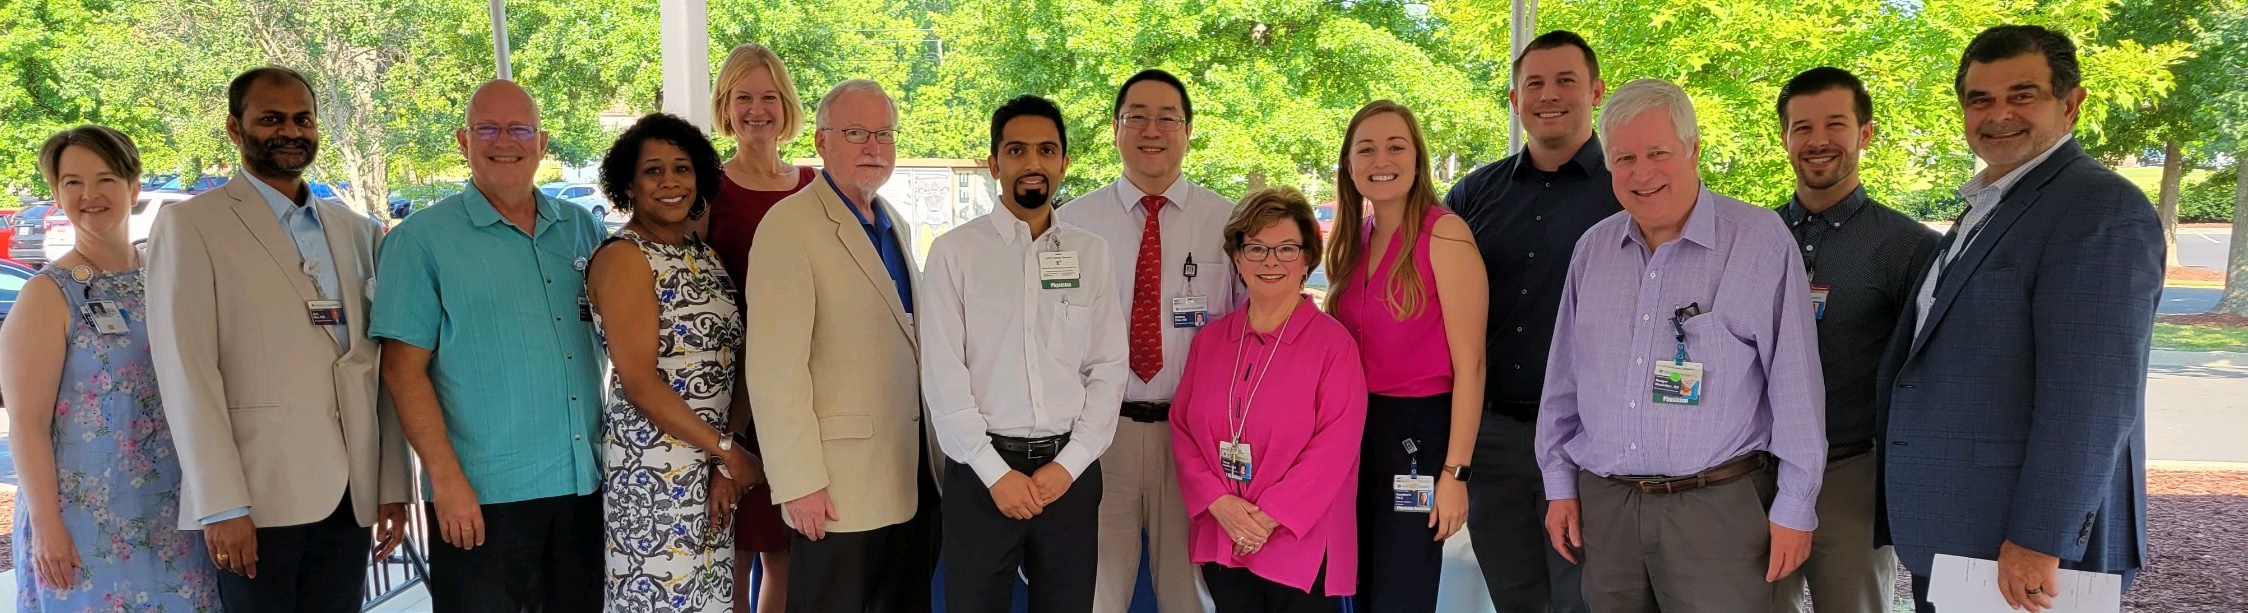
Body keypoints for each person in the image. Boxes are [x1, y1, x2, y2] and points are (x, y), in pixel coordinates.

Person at [1879, 25, 2160, 613]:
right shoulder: (1989, 205)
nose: (1998, 114)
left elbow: (2092, 397)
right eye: (1980, 99)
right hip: (1966, 535)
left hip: (2025, 553)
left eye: (2022, 94)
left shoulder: (2099, 210)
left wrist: (2039, 538)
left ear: (2071, 103)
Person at [1535, 78, 1827, 613]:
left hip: (1714, 511)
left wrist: (1795, 506)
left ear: (1694, 150)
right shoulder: (1593, 250)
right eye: (1623, 157)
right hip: (1608, 506)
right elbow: (1563, 383)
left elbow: (1796, 388)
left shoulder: (1759, 241)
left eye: (1657, 153)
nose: (1641, 173)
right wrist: (1559, 483)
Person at [146, 66, 411, 612]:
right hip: (256, 499)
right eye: (271, 119)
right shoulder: (191, 225)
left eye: (302, 118)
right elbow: (187, 373)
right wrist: (219, 505)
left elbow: (377, 367)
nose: (290, 131)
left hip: (350, 494)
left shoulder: (357, 230)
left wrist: (391, 483)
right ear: (234, 129)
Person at [369, 80, 610, 612]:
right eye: (488, 129)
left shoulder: (581, 229)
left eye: (520, 128)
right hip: (481, 496)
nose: (506, 141)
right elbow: (402, 373)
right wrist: (446, 480)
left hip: (581, 483)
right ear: (463, 140)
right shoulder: (420, 241)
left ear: (542, 143)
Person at [920, 94, 1128, 613]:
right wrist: (996, 474)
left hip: (1070, 476)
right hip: (982, 473)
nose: (1032, 163)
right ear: (994, 164)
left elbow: (1107, 367)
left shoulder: (1091, 254)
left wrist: (1071, 464)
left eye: (1046, 150)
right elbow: (943, 376)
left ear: (1064, 162)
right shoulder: (955, 253)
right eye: (1016, 150)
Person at [1, 125, 220, 612]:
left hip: (174, 514)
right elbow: (28, 424)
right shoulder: (47, 294)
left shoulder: (165, 278)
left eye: (105, 179)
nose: (90, 194)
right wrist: (48, 527)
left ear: (134, 188)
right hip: (83, 525)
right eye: (73, 182)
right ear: (56, 194)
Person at [744, 78, 939, 613]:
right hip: (836, 493)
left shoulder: (893, 220)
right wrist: (798, 482)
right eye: (856, 132)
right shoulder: (789, 225)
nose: (873, 147)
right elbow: (773, 369)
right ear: (823, 142)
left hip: (909, 478)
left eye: (884, 133)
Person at [1440, 30, 1614, 613]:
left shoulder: (1631, 192)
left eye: (1566, 80)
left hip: (1587, 437)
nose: (1549, 95)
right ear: (1514, 100)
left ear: (1596, 92)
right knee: (1514, 597)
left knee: (1583, 597)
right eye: (1533, 83)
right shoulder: (1472, 195)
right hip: (1491, 438)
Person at [1056, 68, 1234, 613]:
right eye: (1137, 116)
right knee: (1097, 592)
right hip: (1097, 437)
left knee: (1188, 595)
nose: (1152, 130)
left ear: (1188, 131)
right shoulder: (1070, 225)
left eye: (1167, 118)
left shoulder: (1228, 223)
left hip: (1193, 440)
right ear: (1115, 128)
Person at [1768, 67, 1937, 613]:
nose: (1818, 141)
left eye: (1835, 124)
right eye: (1802, 127)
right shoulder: (1754, 238)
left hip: (1853, 473)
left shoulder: (1909, 248)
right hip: (1758, 473)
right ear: (1785, 138)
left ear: (1865, 133)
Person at [586, 112, 757, 612]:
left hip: (713, 467)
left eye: (682, 168)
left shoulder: (704, 256)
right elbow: (639, 382)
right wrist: (727, 451)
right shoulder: (624, 257)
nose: (670, 182)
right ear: (630, 185)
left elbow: (736, 357)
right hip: (651, 475)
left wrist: (730, 455)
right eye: (653, 171)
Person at [1324, 100, 1488, 613]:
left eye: (1396, 146)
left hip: (1418, 435)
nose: (1381, 160)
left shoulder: (1445, 234)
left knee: (1401, 590)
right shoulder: (1357, 240)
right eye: (1366, 149)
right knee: (1358, 583)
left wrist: (1455, 473)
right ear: (1349, 166)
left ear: (1417, 159)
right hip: (1355, 431)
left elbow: (1472, 367)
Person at [1171, 187, 1367, 613]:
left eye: (1286, 249)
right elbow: (1183, 427)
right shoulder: (1211, 341)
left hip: (1299, 542)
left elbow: (1336, 447)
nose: (1270, 261)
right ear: (1238, 258)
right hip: (1223, 534)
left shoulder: (1334, 345)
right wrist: (1219, 503)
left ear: (1308, 258)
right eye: (1256, 248)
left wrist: (1267, 517)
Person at [704, 43, 818, 612]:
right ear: (725, 106)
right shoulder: (706, 190)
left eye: (768, 97)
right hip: (727, 393)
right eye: (743, 97)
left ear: (786, 105)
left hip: (798, 390)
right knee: (733, 546)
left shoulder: (814, 187)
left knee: (782, 546)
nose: (757, 109)